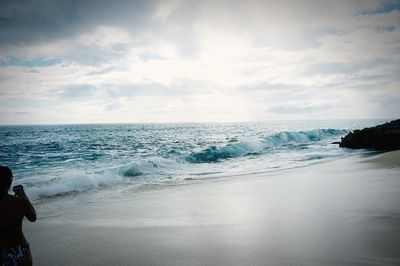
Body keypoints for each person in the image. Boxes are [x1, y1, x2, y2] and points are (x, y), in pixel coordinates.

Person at [0, 166, 36, 266]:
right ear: (10, 180)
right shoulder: (20, 201)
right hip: (19, 250)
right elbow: (33, 217)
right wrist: (23, 195)